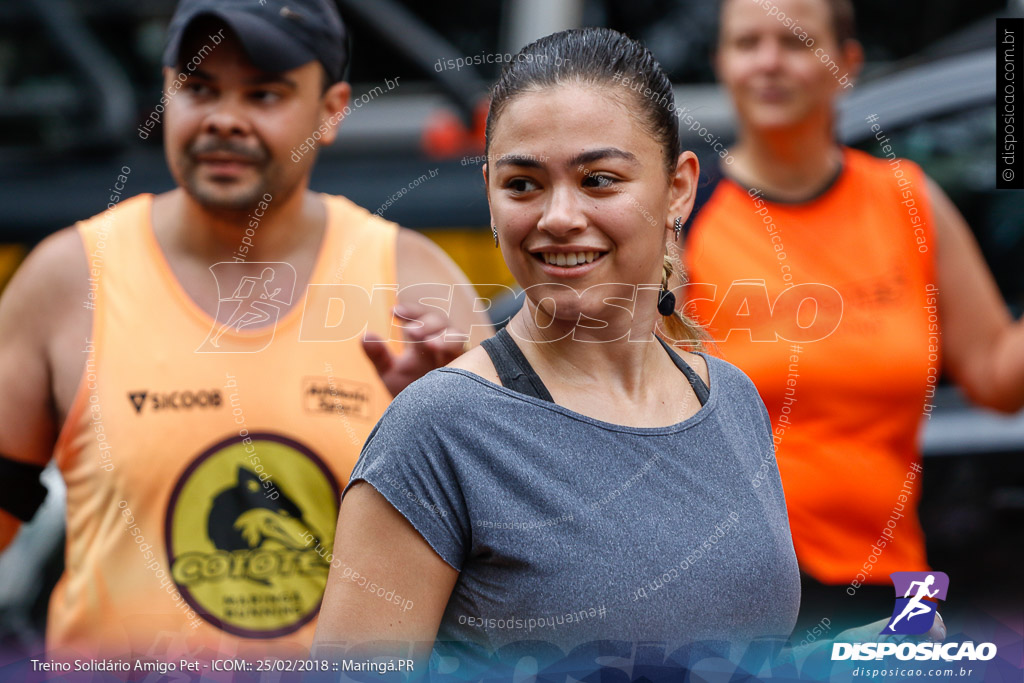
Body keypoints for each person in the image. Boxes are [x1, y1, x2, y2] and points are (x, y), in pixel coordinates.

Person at [0, 0, 491, 662]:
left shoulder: (412, 280)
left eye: (264, 93)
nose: (224, 119)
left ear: (332, 110)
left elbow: (507, 568)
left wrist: (447, 440)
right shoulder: (66, 281)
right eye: (198, 88)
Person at [312, 27, 800, 674]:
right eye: (523, 185)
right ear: (489, 194)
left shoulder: (732, 398)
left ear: (678, 189)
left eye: (599, 179)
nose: (559, 216)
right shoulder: (437, 431)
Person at [682, 0, 1024, 633]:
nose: (768, 62)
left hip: (894, 583)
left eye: (794, 43)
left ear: (847, 63)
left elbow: (997, 376)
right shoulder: (684, 216)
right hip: (734, 594)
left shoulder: (908, 199)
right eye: (746, 43)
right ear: (722, 64)